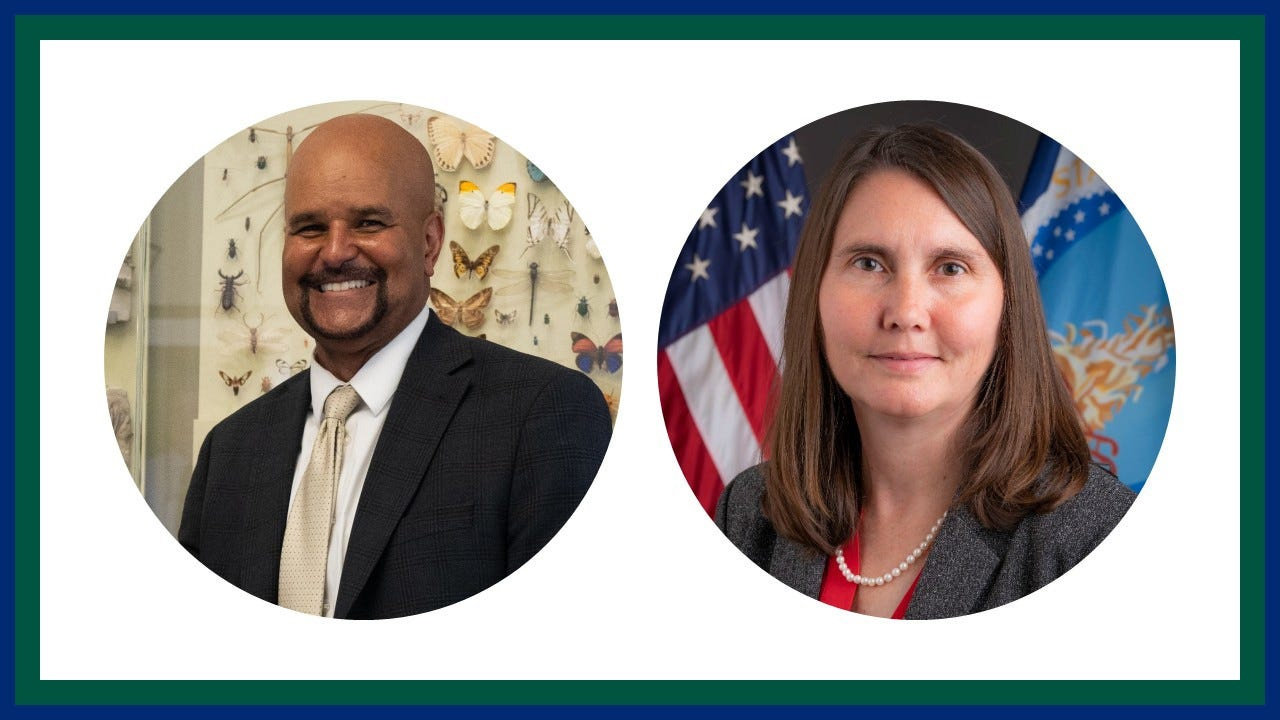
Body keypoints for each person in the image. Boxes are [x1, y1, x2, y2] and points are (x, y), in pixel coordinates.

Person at [180, 114, 612, 620]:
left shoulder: (542, 414)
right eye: (310, 227)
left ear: (430, 243)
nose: (335, 252)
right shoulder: (229, 451)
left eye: (368, 223)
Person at [716, 125, 1136, 620]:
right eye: (869, 263)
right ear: (815, 292)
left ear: (1008, 306)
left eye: (950, 268)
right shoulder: (750, 516)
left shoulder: (1092, 537)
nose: (906, 312)